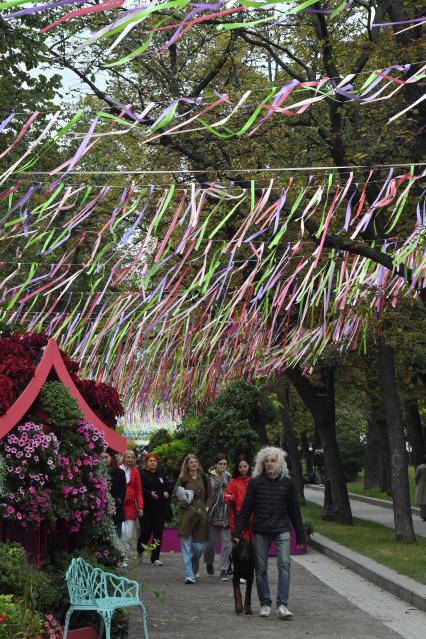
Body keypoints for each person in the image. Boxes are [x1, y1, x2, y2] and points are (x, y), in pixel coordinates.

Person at [235, 446, 306, 620]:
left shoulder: (288, 482)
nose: (269, 464)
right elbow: (246, 509)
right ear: (261, 463)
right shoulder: (256, 482)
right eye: (266, 461)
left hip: (282, 528)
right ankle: (265, 603)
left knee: (284, 565)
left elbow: (294, 510)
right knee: (260, 568)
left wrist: (301, 535)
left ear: (279, 462)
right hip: (261, 530)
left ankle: (282, 605)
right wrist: (237, 531)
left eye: (273, 460)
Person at [172, 454, 212, 584]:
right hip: (187, 515)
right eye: (191, 462)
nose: (194, 464)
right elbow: (174, 497)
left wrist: (206, 507)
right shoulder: (183, 479)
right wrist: (182, 502)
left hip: (201, 516)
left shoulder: (204, 477)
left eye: (196, 461)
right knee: (185, 546)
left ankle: (194, 569)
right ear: (187, 465)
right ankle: (189, 575)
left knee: (198, 548)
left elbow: (210, 495)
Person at [137, 451, 171, 565]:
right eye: (150, 461)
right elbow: (140, 489)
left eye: (154, 461)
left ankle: (155, 557)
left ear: (157, 463)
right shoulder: (142, 474)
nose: (152, 463)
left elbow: (168, 485)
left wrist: (166, 491)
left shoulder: (161, 473)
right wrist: (149, 493)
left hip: (159, 508)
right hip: (146, 508)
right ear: (146, 463)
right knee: (146, 532)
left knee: (158, 533)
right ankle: (140, 550)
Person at [204, 453, 232, 580]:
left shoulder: (229, 477)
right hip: (213, 513)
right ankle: (209, 562)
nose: (222, 466)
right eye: (220, 464)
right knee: (211, 543)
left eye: (225, 464)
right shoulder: (208, 476)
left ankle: (224, 569)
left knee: (227, 543)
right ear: (216, 464)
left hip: (226, 513)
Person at [120, 449, 144, 552]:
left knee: (128, 534)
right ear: (124, 458)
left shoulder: (136, 471)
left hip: (130, 507)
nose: (130, 459)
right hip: (119, 506)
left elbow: (139, 490)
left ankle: (123, 557)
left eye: (132, 457)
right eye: (128, 457)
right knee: (121, 531)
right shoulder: (118, 469)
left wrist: (140, 507)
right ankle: (118, 555)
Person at [224, 454, 252, 540]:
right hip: (239, 516)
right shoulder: (234, 482)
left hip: (253, 516)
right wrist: (230, 498)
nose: (243, 469)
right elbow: (226, 496)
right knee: (242, 544)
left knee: (255, 544)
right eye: (240, 467)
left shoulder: (254, 480)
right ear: (237, 468)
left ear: (249, 466)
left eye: (245, 466)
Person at [100, 448, 126, 538]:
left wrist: (114, 502)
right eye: (101, 458)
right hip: (101, 510)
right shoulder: (98, 472)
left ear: (111, 458)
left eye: (106, 457)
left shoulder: (120, 473)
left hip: (116, 510)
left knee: (116, 537)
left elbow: (123, 493)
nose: (103, 460)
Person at [415, 455, 426, 521]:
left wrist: (416, 482)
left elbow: (416, 477)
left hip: (421, 485)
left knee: (422, 501)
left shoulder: (420, 467)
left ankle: (424, 516)